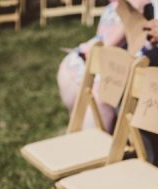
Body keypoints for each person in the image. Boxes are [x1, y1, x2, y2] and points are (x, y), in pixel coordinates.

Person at [56, 0, 148, 131]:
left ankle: (92, 143)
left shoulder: (139, 4)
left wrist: (99, 51)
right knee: (70, 71)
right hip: (100, 51)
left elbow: (117, 37)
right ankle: (78, 131)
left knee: (99, 94)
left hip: (118, 59)